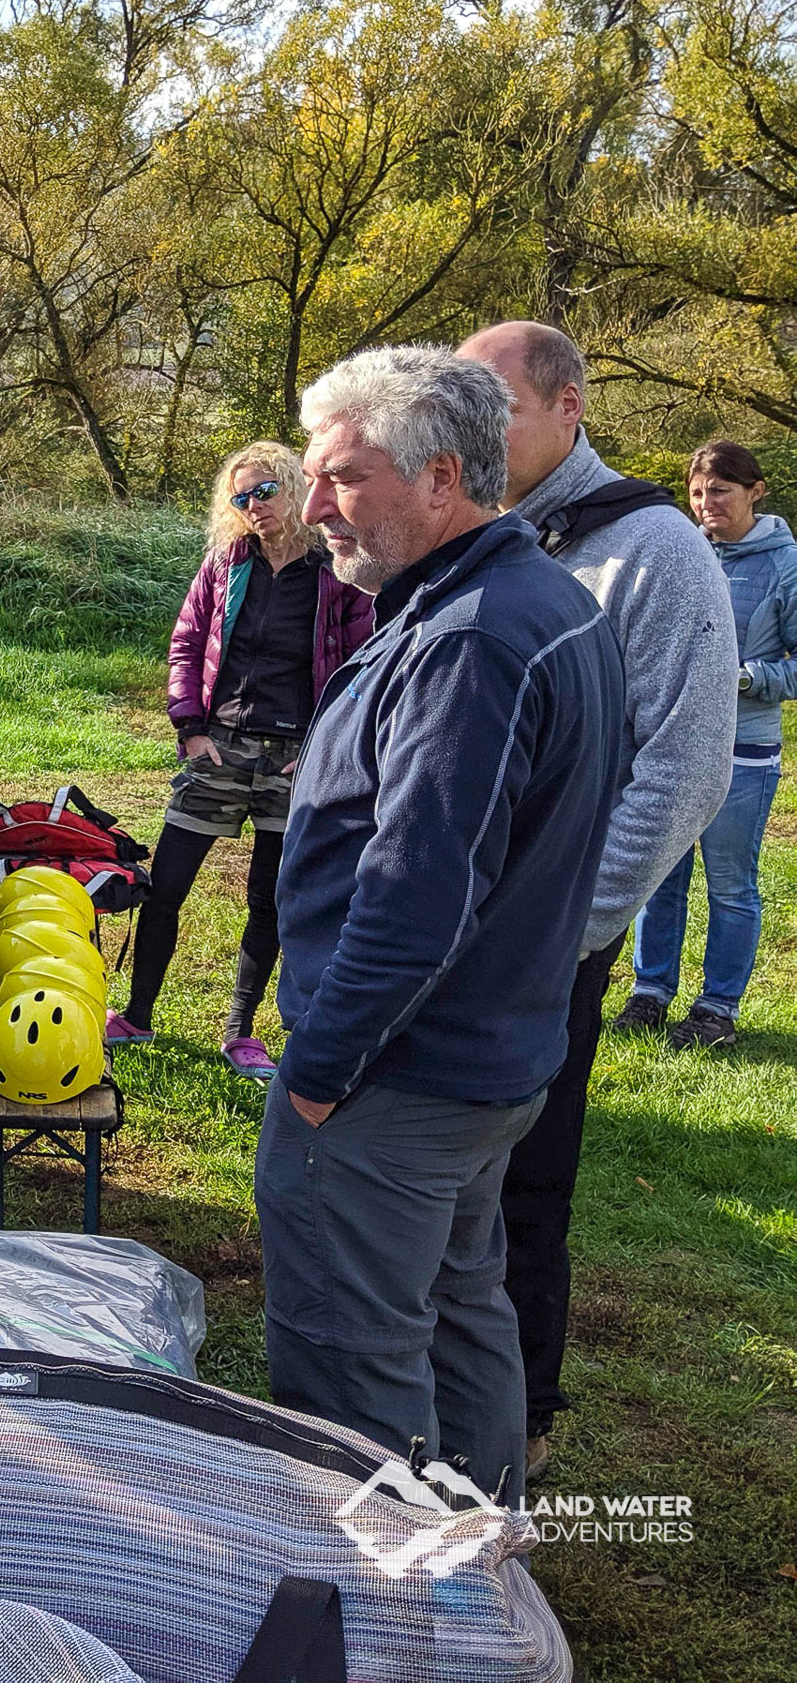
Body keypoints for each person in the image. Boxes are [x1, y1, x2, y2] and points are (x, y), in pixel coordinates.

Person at [259, 345, 625, 1508]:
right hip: (483, 1067)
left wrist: (317, 1073)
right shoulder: (529, 601)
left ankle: (397, 1617)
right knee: (468, 1323)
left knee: (353, 1380)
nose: (316, 505)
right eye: (316, 477)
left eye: (346, 477)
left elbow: (418, 895)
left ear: (444, 479)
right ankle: (485, 1583)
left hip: (394, 1085)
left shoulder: (472, 636)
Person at [455, 320, 737, 1481]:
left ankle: (515, 1443)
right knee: (441, 1181)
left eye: (497, 411)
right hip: (449, 926)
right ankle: (436, 1402)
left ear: (569, 409)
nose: (471, 436)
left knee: (525, 1188)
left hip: (548, 940)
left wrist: (573, 929)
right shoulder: (475, 527)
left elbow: (688, 762)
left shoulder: (653, 547)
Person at [113, 442, 374, 1075]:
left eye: (264, 492)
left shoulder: (336, 571)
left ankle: (241, 1029)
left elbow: (361, 662)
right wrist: (190, 727)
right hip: (219, 746)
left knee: (271, 899)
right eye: (240, 498)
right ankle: (137, 1015)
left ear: (293, 488)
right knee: (166, 884)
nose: (253, 507)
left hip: (296, 758)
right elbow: (186, 645)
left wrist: (320, 747)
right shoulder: (226, 565)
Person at [620, 439, 797, 1050]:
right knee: (657, 873)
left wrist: (743, 676)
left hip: (742, 752)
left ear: (756, 492)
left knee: (730, 883)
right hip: (666, 744)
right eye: (697, 492)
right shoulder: (684, 552)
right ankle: (649, 993)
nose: (705, 504)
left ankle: (717, 1007)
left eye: (720, 490)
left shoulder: (786, 564)